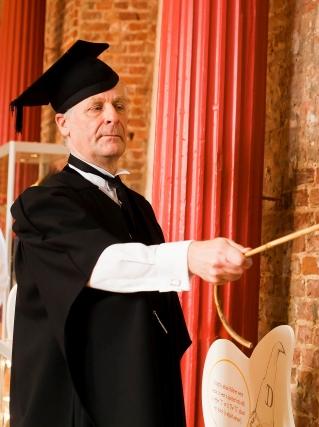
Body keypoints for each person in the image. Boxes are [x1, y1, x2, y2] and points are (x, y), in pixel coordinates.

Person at [8, 40, 252, 427]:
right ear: (63, 124)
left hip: (140, 388)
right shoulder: (41, 204)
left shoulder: (136, 205)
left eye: (119, 106)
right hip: (76, 399)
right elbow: (101, 263)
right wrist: (189, 256)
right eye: (96, 107)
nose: (112, 117)